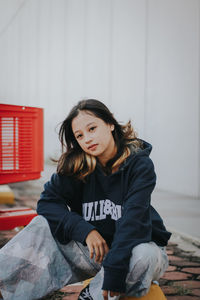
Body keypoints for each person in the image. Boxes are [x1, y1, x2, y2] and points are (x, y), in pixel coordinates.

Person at [0, 99, 171, 300]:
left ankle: (92, 295)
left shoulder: (139, 166)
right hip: (94, 252)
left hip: (134, 251)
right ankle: (6, 289)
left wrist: (115, 269)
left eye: (92, 128)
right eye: (79, 136)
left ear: (110, 124)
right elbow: (47, 203)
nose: (87, 139)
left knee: (143, 255)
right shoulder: (79, 165)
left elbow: (134, 224)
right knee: (42, 224)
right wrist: (86, 230)